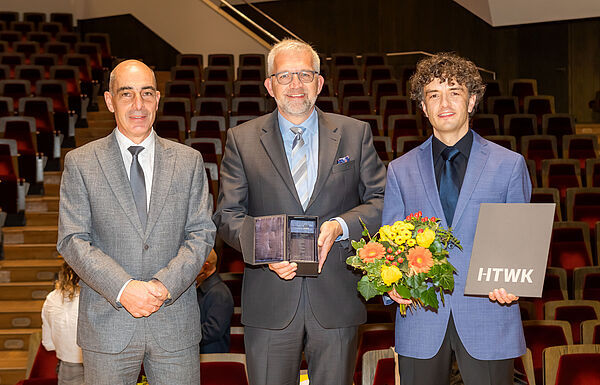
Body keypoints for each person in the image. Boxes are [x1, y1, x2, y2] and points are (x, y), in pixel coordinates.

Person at [213, 38, 386, 385]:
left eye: (305, 75)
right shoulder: (241, 139)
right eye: (285, 76)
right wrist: (268, 249)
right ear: (269, 85)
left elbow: (383, 199)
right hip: (270, 301)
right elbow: (228, 216)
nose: (295, 85)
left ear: (319, 83)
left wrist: (341, 225)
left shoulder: (355, 133)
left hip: (336, 300)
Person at [57, 59, 215, 384]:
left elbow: (201, 234)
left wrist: (163, 286)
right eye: (126, 94)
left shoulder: (189, 161)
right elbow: (72, 239)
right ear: (109, 100)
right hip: (108, 325)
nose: (138, 104)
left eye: (146, 93)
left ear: (158, 98)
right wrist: (124, 288)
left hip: (174, 323)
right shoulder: (81, 163)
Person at [383, 53, 531, 385]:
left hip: (489, 316)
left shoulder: (509, 165)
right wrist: (391, 286)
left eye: (454, 92)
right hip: (421, 318)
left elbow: (521, 242)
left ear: (472, 100)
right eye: (433, 95)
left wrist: (517, 283)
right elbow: (388, 246)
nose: (444, 102)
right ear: (423, 106)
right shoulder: (400, 170)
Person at [41, 262, 84, 385]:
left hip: (67, 366)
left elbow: (48, 343)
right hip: (95, 363)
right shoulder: (93, 298)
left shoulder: (51, 298)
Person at [196, 249, 234, 353]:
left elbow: (212, 331)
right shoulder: (203, 288)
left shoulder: (219, 293)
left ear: (205, 265)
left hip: (211, 357)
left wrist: (184, 337)